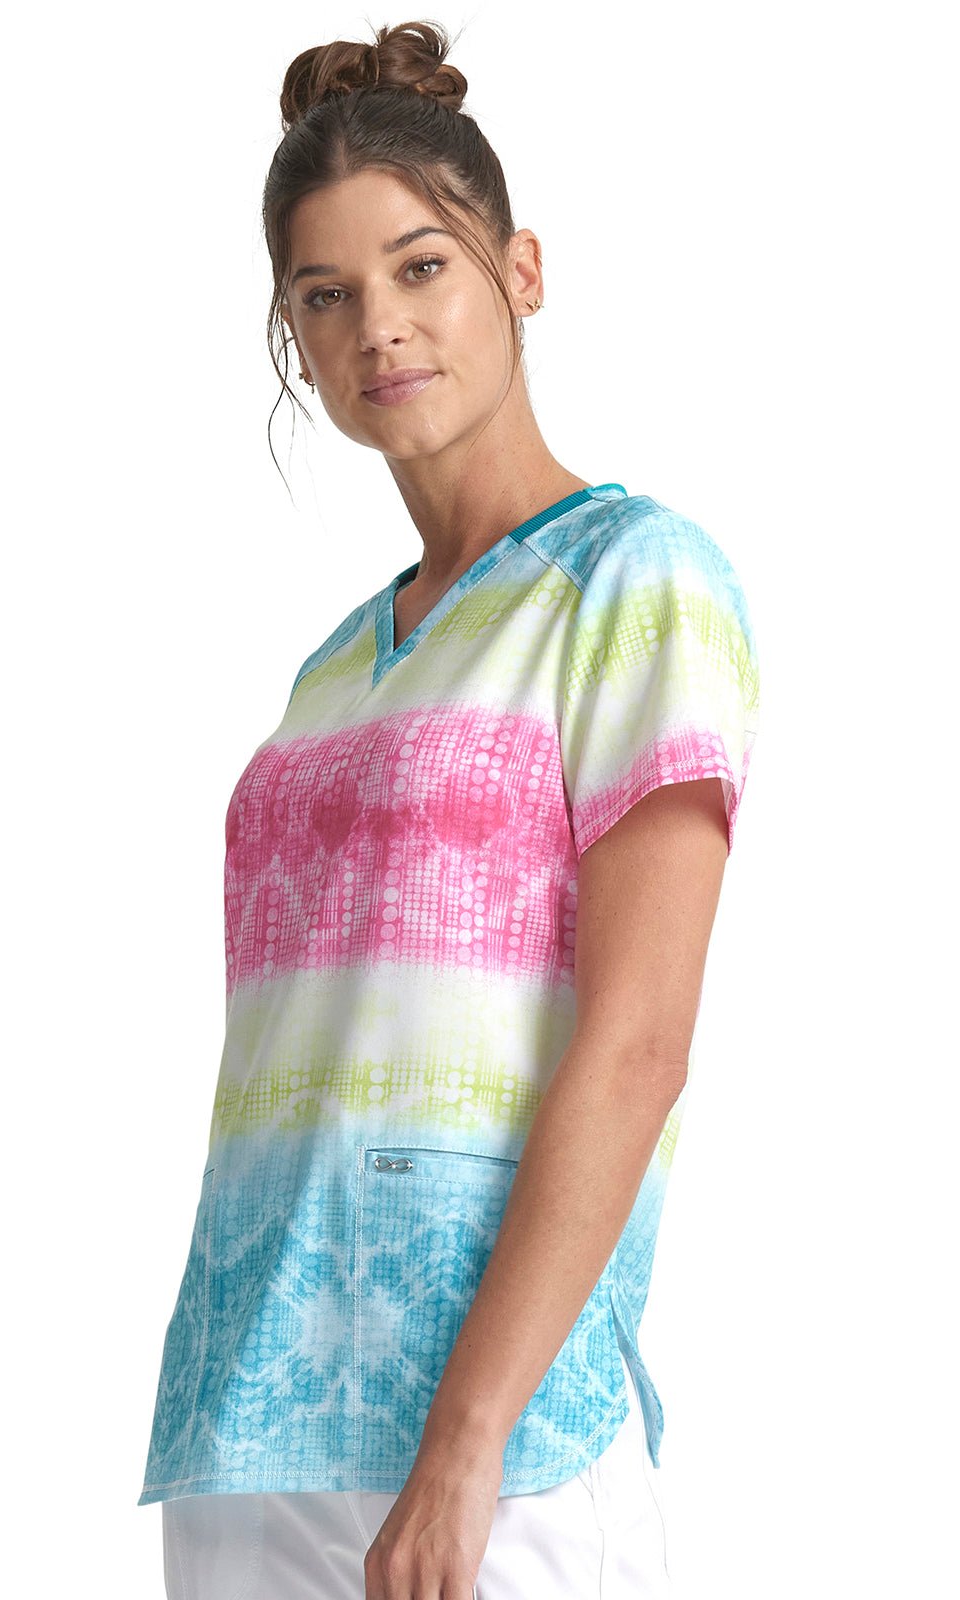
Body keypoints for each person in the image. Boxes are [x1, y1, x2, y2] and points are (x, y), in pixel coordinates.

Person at [136, 18, 761, 1599]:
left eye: (421, 268)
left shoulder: (634, 578)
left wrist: (466, 1442)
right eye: (325, 294)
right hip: (249, 1421)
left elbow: (640, 1042)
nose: (379, 327)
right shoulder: (333, 671)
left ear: (522, 272)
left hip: (492, 1444)